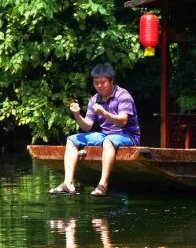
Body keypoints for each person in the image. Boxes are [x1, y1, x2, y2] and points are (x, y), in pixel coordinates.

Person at [48, 63, 140, 196]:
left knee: (108, 141)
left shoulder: (123, 95)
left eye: (103, 82)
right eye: (96, 83)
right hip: (106, 135)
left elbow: (123, 121)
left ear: (112, 81)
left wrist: (104, 114)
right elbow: (87, 126)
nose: (99, 86)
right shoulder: (94, 99)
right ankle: (68, 183)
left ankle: (103, 185)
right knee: (72, 140)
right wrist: (77, 115)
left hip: (127, 135)